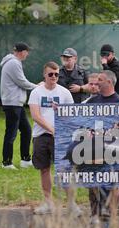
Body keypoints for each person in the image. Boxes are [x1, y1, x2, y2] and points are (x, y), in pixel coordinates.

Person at [28, 61, 82, 216]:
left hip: (61, 137)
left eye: (56, 74)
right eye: (50, 74)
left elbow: (71, 115)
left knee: (64, 170)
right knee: (44, 169)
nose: (53, 77)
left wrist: (62, 130)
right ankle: (48, 203)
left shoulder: (64, 93)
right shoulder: (36, 92)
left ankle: (71, 204)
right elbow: (36, 116)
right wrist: (52, 129)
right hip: (41, 135)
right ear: (44, 74)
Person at [85, 70, 119, 228]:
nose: (96, 83)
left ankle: (110, 220)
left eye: (100, 80)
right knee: (93, 184)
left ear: (109, 82)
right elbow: (78, 118)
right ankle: (95, 215)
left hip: (112, 151)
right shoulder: (92, 101)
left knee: (110, 186)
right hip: (93, 150)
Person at [0, 42, 37, 170]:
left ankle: (25, 159)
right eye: (27, 52)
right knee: (11, 133)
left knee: (26, 130)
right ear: (22, 52)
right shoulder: (14, 63)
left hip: (16, 103)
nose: (27, 54)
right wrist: (37, 87)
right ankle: (6, 162)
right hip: (12, 103)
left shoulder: (13, 62)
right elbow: (22, 82)